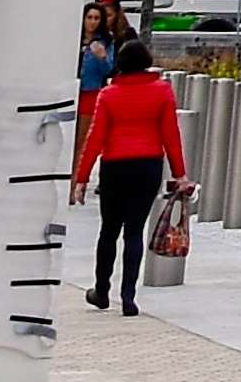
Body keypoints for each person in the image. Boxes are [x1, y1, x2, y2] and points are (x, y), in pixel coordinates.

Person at [68, 31, 185, 314]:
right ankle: (129, 296)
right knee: (134, 231)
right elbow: (171, 134)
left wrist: (81, 178)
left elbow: (95, 138)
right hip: (148, 165)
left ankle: (102, 290)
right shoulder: (162, 91)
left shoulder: (109, 94)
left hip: (115, 166)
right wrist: (180, 173)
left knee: (108, 230)